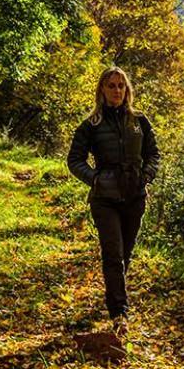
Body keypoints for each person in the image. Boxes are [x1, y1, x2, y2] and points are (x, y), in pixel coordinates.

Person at [66, 67, 160, 323]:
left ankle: (113, 294)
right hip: (105, 199)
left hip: (135, 196)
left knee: (124, 255)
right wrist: (95, 179)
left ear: (127, 90)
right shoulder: (91, 124)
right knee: (113, 253)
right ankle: (119, 311)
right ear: (102, 90)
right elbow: (74, 160)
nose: (117, 90)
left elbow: (153, 154)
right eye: (111, 85)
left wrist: (146, 176)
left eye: (121, 85)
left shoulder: (139, 121)